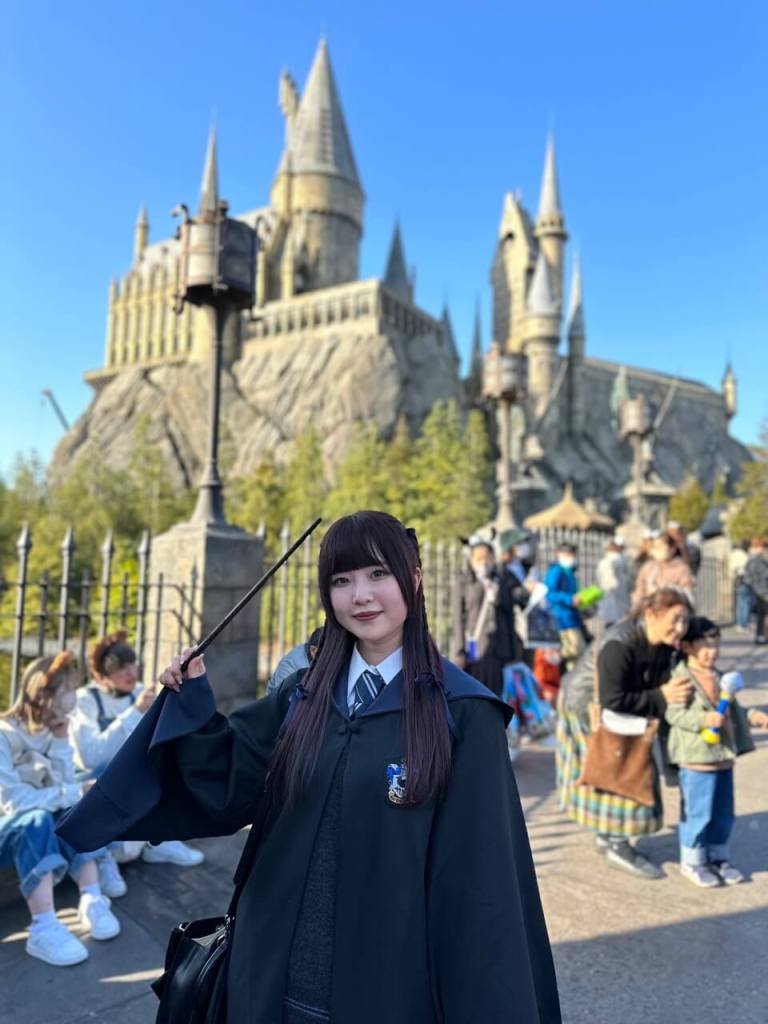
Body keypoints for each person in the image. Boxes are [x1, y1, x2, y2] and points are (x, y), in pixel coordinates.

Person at [58, 511, 561, 1023]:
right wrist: (191, 703)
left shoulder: (462, 715)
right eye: (342, 581)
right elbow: (229, 779)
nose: (361, 596)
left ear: (413, 579)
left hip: (386, 983)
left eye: (378, 574)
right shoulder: (303, 695)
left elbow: (483, 886)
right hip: (271, 966)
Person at [556, 586, 693, 880]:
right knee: (614, 772)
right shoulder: (619, 644)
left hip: (618, 714)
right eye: (675, 619)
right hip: (587, 708)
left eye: (685, 620)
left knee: (615, 772)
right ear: (651, 614)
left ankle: (607, 837)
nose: (681, 628)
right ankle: (617, 844)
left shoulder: (663, 642)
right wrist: (662, 696)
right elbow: (613, 699)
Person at [0, 652, 120, 966]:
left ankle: (92, 897)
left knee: (73, 805)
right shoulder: (4, 733)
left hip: (36, 824)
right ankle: (43, 927)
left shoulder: (53, 728)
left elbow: (66, 789)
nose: (74, 698)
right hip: (9, 829)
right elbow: (12, 802)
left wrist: (62, 741)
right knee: (39, 817)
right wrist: (72, 790)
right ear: (46, 694)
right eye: (69, 690)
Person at [68, 631, 204, 885]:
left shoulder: (139, 692)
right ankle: (103, 858)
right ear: (102, 676)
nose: (130, 672)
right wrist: (135, 712)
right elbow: (90, 757)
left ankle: (159, 841)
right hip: (98, 782)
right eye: (120, 668)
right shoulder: (86, 700)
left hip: (132, 778)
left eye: (132, 663)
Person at [665, 617, 768, 888]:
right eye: (706, 646)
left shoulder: (720, 677)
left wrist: (752, 716)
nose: (713, 652)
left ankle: (718, 856)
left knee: (723, 812)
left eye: (716, 645)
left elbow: (732, 709)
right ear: (687, 647)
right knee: (698, 813)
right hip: (696, 759)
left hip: (722, 757)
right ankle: (693, 860)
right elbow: (674, 714)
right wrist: (704, 720)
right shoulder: (682, 679)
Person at [451, 539, 521, 695]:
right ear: (471, 560)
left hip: (498, 648)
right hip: (474, 647)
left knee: (496, 694)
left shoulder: (501, 581)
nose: (484, 563)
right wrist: (459, 651)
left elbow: (509, 613)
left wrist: (498, 597)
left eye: (487, 558)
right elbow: (457, 619)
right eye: (479, 559)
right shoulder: (464, 583)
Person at [544, 542, 585, 671]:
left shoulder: (569, 572)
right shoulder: (556, 571)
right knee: (572, 653)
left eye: (572, 554)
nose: (571, 557)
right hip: (561, 620)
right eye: (568, 554)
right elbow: (549, 593)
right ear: (559, 554)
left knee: (576, 655)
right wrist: (569, 599)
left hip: (572, 619)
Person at [631, 530, 694, 607]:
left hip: (671, 609)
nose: (657, 550)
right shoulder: (648, 567)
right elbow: (640, 590)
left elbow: (686, 594)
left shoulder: (681, 569)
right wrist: (637, 605)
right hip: (649, 610)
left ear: (673, 549)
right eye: (655, 547)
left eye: (661, 546)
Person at [266, 626, 324, 696]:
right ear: (313, 651)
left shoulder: (315, 654)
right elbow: (283, 698)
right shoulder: (290, 666)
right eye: (328, 652)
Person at [596, 536, 631, 630]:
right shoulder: (618, 561)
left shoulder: (606, 562)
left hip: (612, 606)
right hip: (617, 606)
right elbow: (612, 585)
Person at [743, 537, 768, 645]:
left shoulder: (757, 559)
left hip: (760, 591)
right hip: (762, 591)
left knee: (761, 615)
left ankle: (761, 636)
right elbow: (751, 578)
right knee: (762, 615)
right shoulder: (755, 560)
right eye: (763, 547)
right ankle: (761, 636)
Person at [730, 540, 752, 632]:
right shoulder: (745, 556)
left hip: (737, 580)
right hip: (745, 580)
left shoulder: (734, 554)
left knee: (740, 603)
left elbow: (732, 567)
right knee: (746, 602)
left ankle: (739, 623)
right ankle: (744, 623)